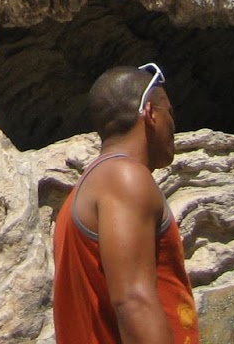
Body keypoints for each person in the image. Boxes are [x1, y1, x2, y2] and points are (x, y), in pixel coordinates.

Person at [53, 64, 199, 344]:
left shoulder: (86, 190)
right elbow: (134, 302)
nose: (174, 126)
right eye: (170, 113)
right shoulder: (124, 179)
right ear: (151, 114)